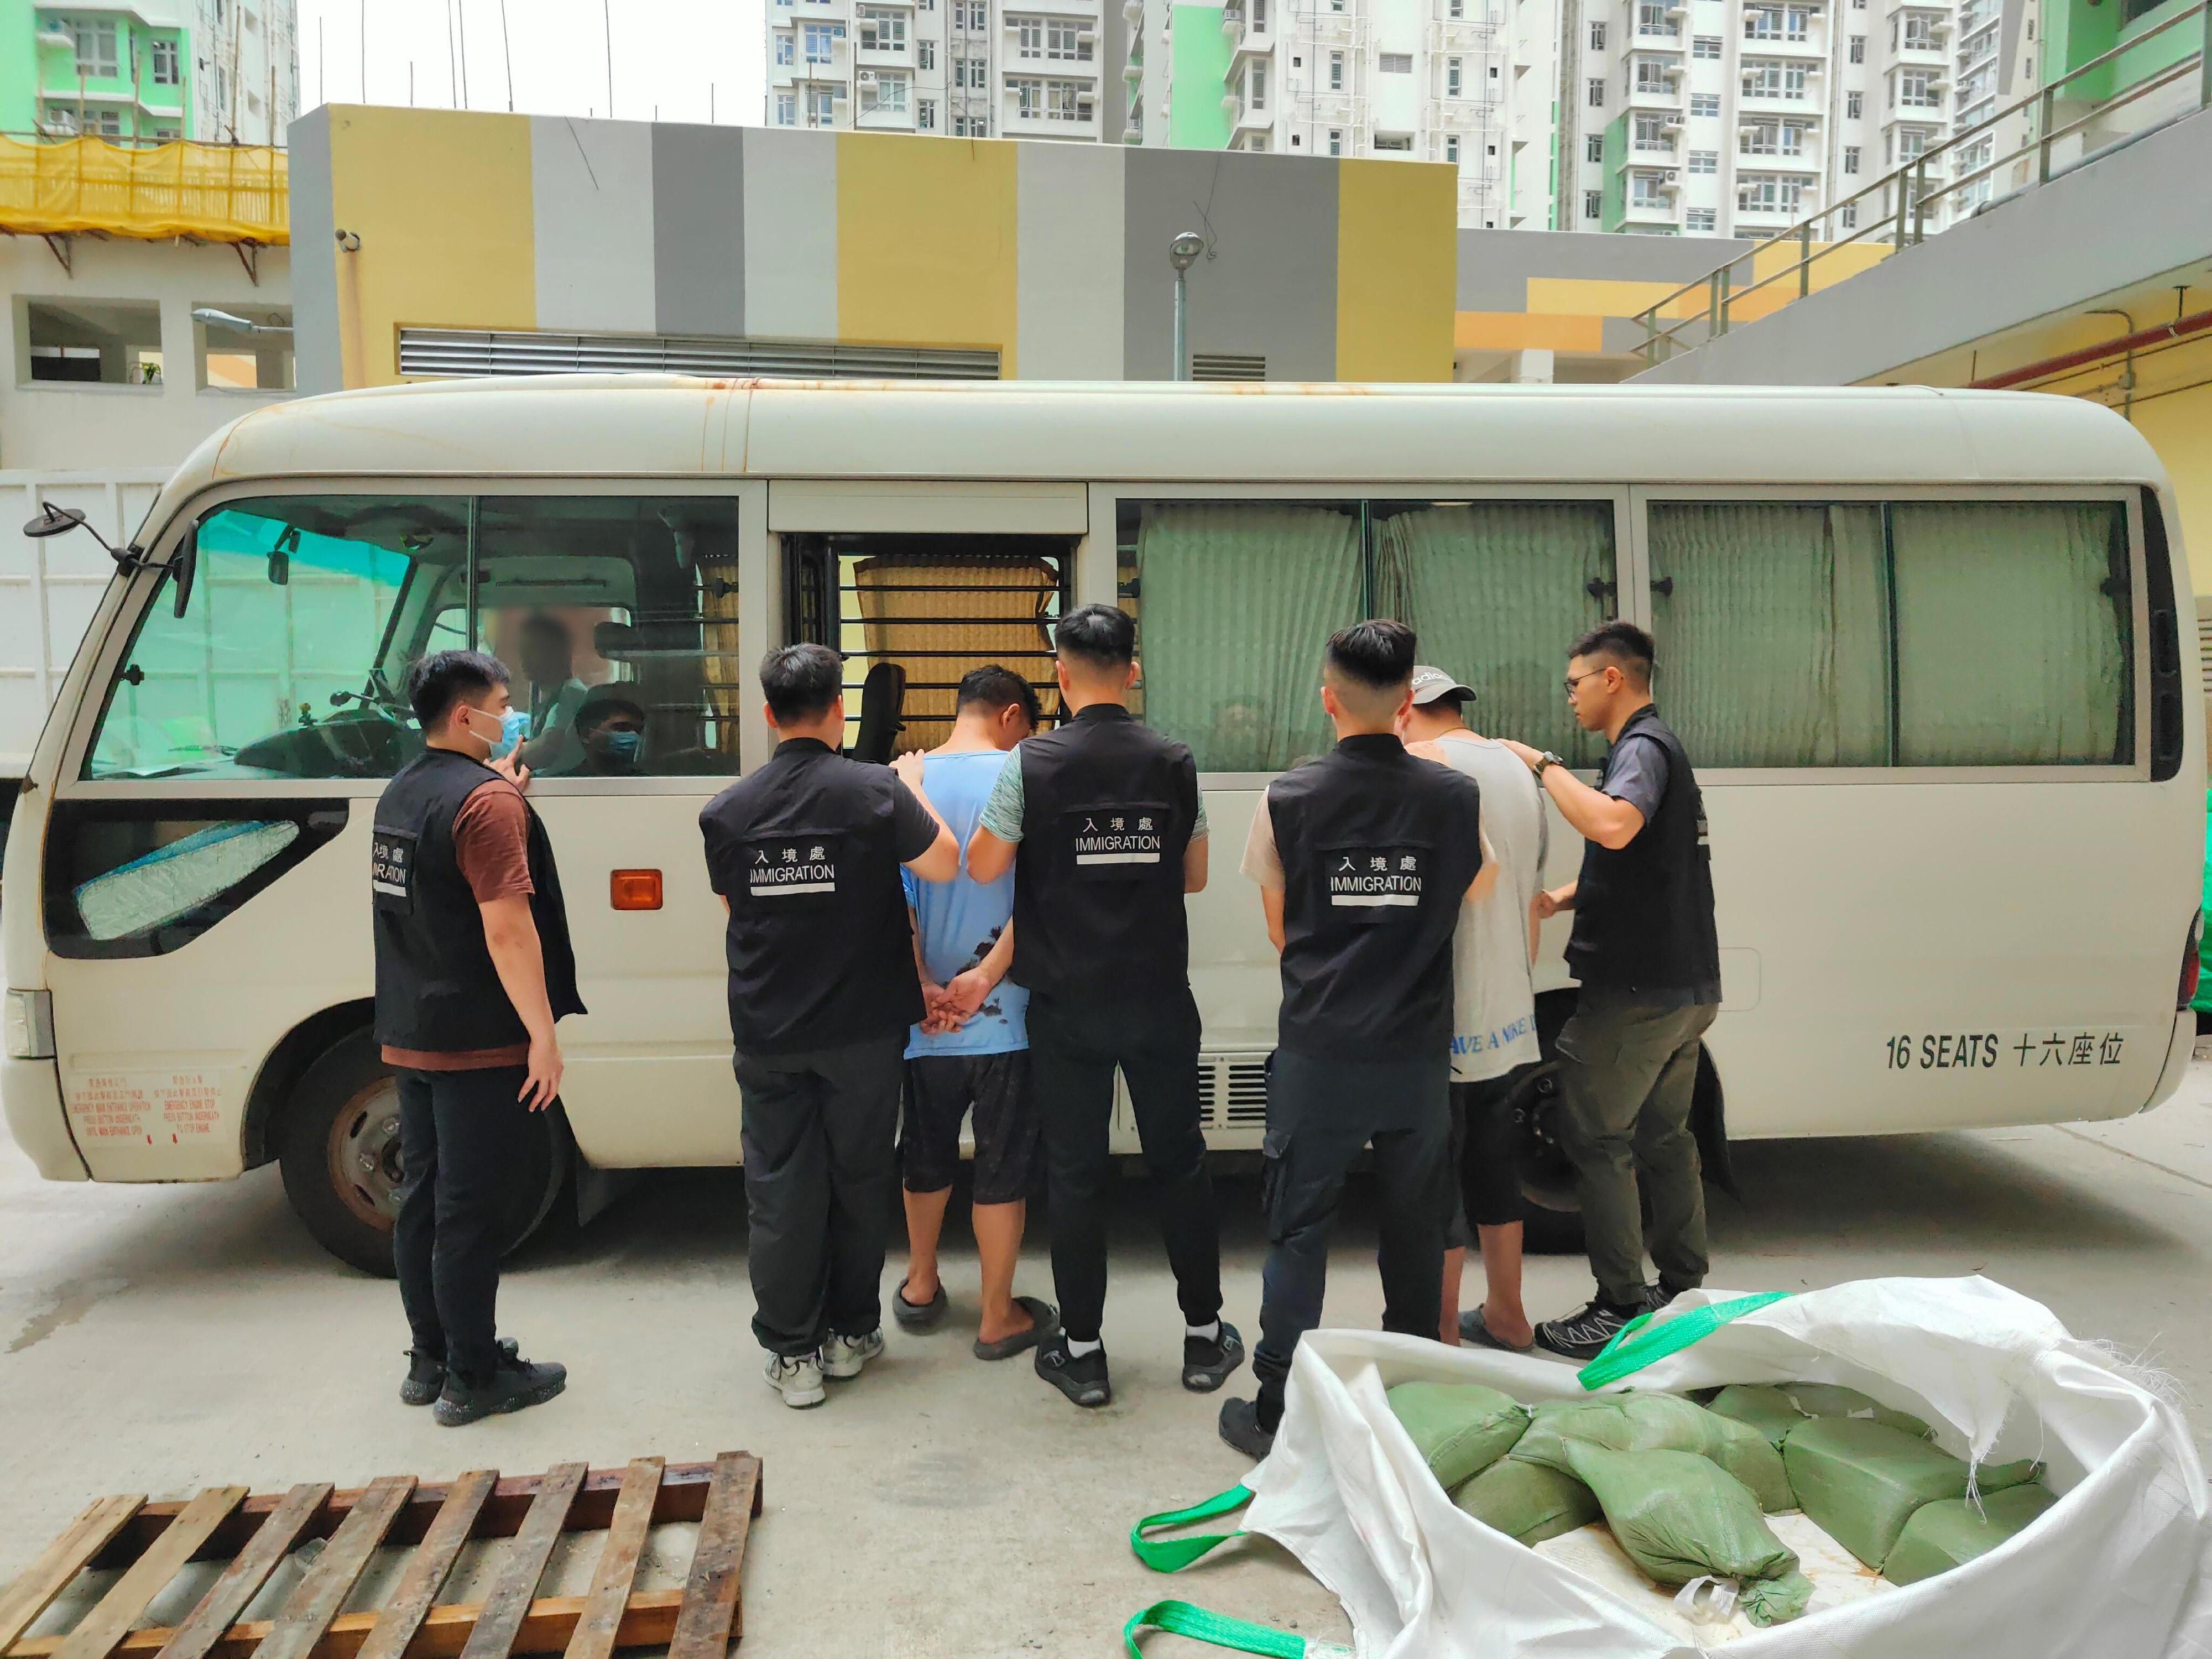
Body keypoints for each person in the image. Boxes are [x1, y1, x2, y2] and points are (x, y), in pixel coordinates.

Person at [1217, 623, 1495, 1459]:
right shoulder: (1453, 796)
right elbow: (1475, 888)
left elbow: (1280, 926)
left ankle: (1277, 1405)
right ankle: (1405, 1405)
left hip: (1320, 1050)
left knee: (1297, 1227)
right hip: (1414, 1054)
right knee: (1415, 1228)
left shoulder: (1287, 796)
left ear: (1327, 696)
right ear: (1409, 701)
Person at [967, 604, 1239, 1410]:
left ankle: (1082, 1353)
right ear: (1132, 669)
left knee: (1076, 1174)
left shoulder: (1031, 764)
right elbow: (1191, 876)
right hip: (1157, 996)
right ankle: (1202, 1338)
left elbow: (985, 867)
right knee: (1180, 1161)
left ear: (1060, 672)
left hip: (1066, 1005)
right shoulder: (1174, 760)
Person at [698, 643, 960, 1408]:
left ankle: (792, 1355)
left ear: (769, 715)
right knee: (859, 1179)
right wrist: (912, 784)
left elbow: (734, 909)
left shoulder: (727, 811)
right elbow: (944, 864)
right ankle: (850, 1334)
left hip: (771, 1032)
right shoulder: (875, 789)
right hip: (865, 1029)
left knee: (780, 1190)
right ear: (838, 711)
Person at [1499, 620, 1721, 1361]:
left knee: (1595, 1137)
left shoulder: (1643, 750)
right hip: (1685, 988)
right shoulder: (1660, 750)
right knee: (1664, 1137)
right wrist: (1566, 894)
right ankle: (1684, 1289)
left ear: (1613, 679)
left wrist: (1541, 765)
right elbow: (1645, 862)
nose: (1570, 697)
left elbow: (1615, 826)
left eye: (1575, 684)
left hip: (1635, 994)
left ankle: (1620, 1304)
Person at [371, 649, 580, 1427]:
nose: (512, 713)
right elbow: (506, 931)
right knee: (471, 1210)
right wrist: (541, 1036)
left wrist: (505, 796)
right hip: (475, 1038)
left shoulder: (406, 789)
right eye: (502, 701)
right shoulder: (485, 805)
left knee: (423, 1200)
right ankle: (475, 1376)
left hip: (413, 1029)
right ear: (467, 716)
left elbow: (435, 881)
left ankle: (431, 1358)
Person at [893, 666, 1060, 1361]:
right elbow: (1044, 897)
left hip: (923, 1017)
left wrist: (923, 984)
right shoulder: (1027, 778)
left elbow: (892, 901)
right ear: (1013, 716)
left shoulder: (906, 779)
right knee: (1002, 1166)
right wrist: (985, 978)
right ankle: (997, 1316)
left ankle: (922, 1283)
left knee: (924, 1155)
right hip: (1006, 1014)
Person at [1397, 665, 1548, 1355]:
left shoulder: (1422, 768)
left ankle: (1441, 1330)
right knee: (1494, 1163)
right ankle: (1510, 1315)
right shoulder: (1517, 768)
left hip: (1445, 1004)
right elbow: (1530, 892)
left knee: (1438, 1174)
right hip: (1509, 1005)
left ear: (1406, 709)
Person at [516, 614, 589, 773]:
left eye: (532, 650)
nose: (524, 659)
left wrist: (513, 758)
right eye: (523, 651)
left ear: (558, 653)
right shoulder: (555, 698)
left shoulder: (572, 695)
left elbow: (547, 747)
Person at [558, 686, 648, 778]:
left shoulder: (649, 783)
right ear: (586, 734)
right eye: (622, 728)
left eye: (638, 731)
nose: (633, 735)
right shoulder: (560, 785)